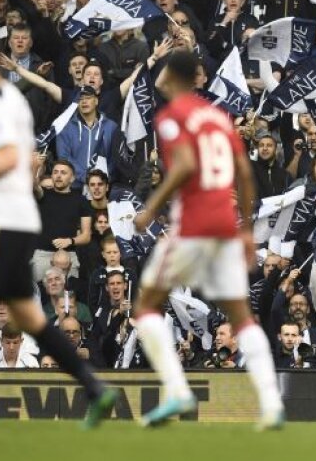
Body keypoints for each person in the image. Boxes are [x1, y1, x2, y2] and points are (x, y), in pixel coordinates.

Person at [0, 31, 115, 429]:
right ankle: (95, 387)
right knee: (29, 316)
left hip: (2, 220)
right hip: (15, 218)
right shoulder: (11, 98)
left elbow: (13, 156)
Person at [130, 50, 284, 429]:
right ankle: (271, 402)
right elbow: (244, 173)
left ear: (173, 77)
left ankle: (178, 390)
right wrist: (246, 230)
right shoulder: (217, 119)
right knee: (241, 316)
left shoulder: (172, 116)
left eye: (163, 71)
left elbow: (183, 165)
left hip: (193, 226)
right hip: (225, 227)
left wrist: (151, 208)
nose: (160, 78)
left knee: (146, 306)